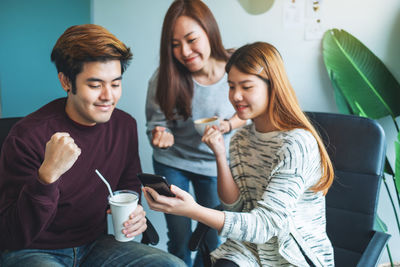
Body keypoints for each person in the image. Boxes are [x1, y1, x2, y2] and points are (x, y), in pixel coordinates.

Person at [0, 24, 185, 267]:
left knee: (173, 266)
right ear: (66, 81)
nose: (109, 96)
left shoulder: (124, 126)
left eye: (116, 84)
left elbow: (127, 187)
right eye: (95, 85)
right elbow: (12, 233)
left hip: (95, 245)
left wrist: (136, 214)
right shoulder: (28, 135)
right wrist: (47, 176)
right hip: (33, 250)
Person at [143, 42, 335, 267]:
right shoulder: (241, 138)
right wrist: (220, 154)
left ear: (273, 86)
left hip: (291, 256)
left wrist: (193, 211)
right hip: (249, 251)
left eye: (246, 86)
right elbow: (235, 207)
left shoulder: (297, 144)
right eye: (231, 86)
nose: (235, 96)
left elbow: (265, 226)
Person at [145, 1, 246, 266]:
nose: (184, 52)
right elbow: (156, 123)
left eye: (191, 40)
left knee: (212, 240)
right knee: (179, 239)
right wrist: (160, 134)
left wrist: (228, 125)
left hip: (215, 166)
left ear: (209, 31)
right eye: (175, 44)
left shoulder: (236, 67)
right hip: (172, 162)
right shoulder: (165, 77)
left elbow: (249, 111)